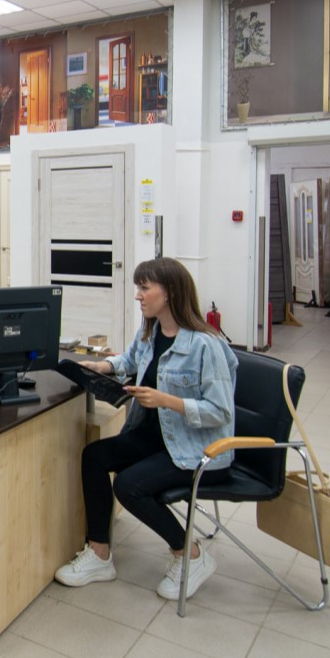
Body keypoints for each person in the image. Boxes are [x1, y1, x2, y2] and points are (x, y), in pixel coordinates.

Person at [54, 257, 237, 601]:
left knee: (128, 486)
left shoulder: (206, 345)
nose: (138, 295)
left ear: (170, 293)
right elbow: (130, 361)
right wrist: (103, 366)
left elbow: (220, 412)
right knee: (94, 456)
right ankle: (99, 554)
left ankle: (189, 554)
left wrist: (168, 401)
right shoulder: (151, 333)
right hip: (158, 438)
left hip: (196, 450)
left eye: (144, 288)